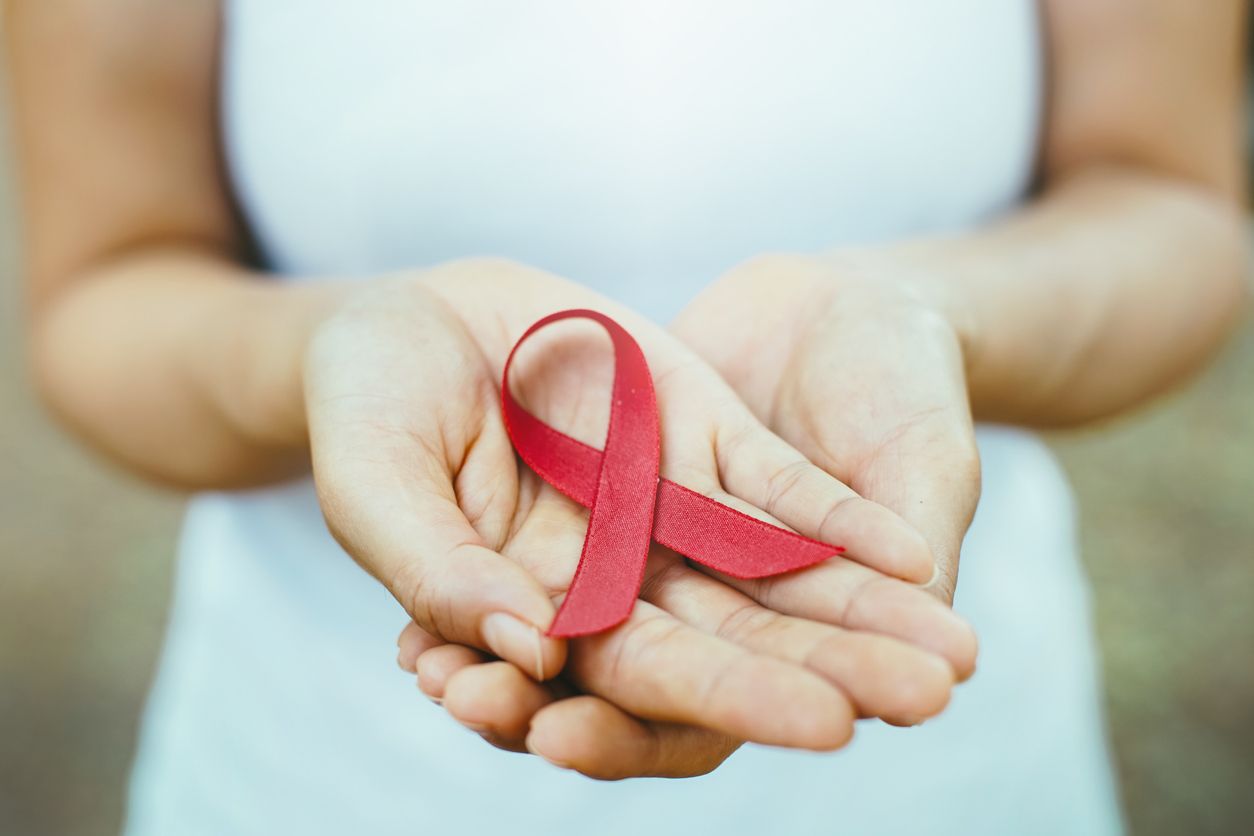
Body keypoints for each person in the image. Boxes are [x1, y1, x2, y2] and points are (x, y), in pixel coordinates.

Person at [6, 1, 1248, 834]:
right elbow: (107, 289)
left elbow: (1170, 206)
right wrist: (326, 350)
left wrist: (931, 313)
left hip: (939, 752)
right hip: (322, 770)